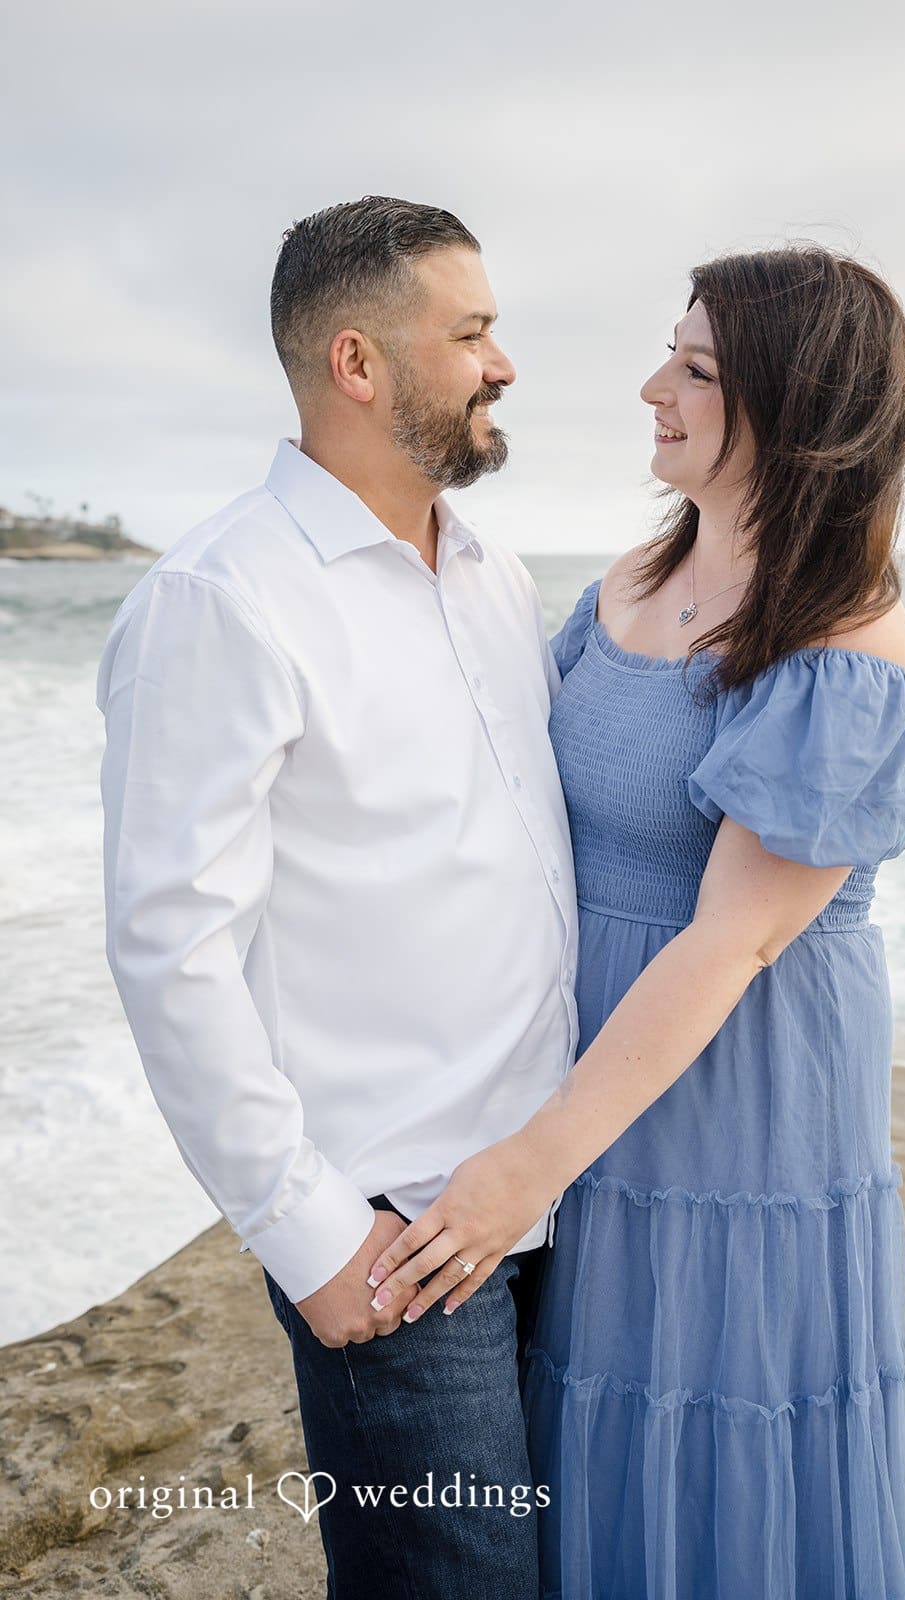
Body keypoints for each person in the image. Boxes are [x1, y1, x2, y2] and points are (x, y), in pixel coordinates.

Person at [365, 246, 905, 1599]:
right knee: (591, 1420)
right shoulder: (628, 579)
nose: (651, 388)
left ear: (795, 407)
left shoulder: (844, 646)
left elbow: (731, 942)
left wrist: (527, 1163)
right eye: (667, 355)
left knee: (712, 1420)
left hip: (733, 1082)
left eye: (695, 369)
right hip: (591, 1067)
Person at [96, 196, 579, 1600]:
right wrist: (307, 1231)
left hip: (556, 1193)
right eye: (473, 332)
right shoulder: (224, 599)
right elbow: (170, 950)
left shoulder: (498, 577)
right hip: (400, 1247)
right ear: (359, 365)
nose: (504, 364)